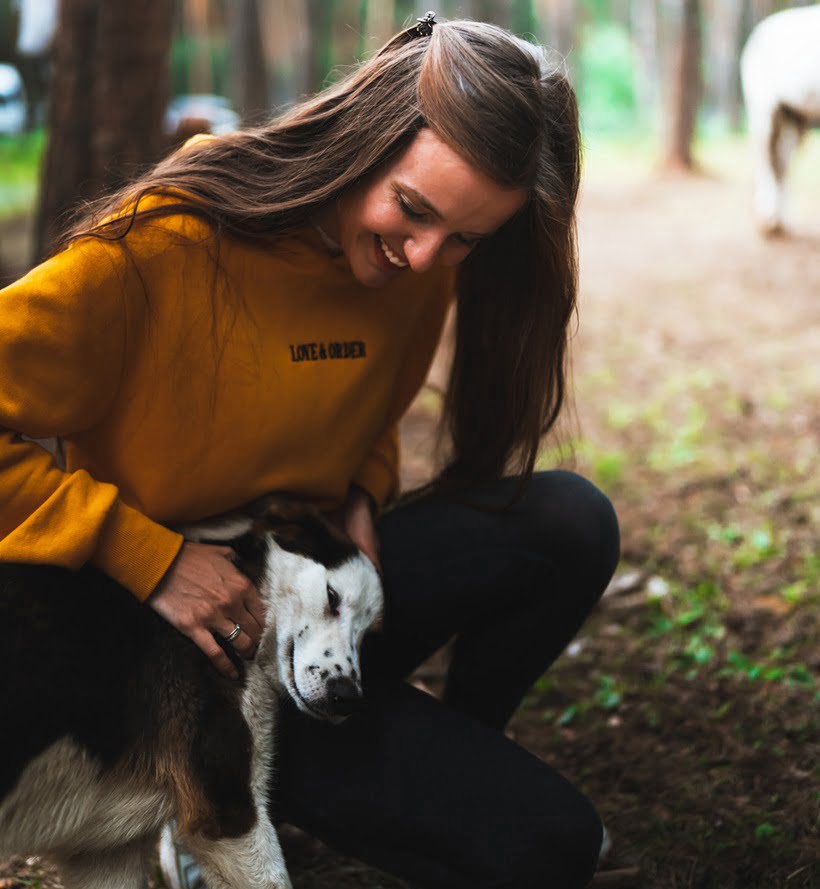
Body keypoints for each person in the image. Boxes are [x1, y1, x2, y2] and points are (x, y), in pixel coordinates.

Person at [0, 14, 619, 889]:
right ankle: (196, 786)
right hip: (178, 661)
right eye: (413, 210)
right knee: (545, 846)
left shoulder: (419, 263)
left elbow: (360, 417)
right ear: (363, 142)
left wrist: (360, 493)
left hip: (315, 589)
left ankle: (449, 743)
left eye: (467, 239)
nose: (426, 256)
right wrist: (148, 556)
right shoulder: (162, 249)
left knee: (568, 521)